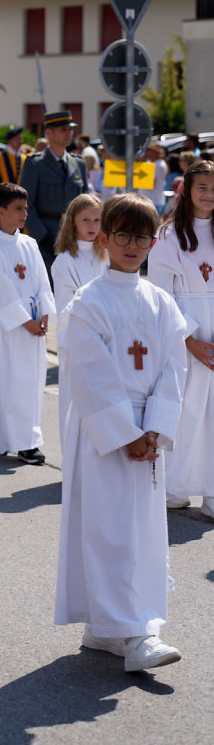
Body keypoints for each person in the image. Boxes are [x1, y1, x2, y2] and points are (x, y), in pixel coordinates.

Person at [55, 194, 188, 672]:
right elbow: (90, 375)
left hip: (148, 432)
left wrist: (154, 427)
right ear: (104, 238)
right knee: (109, 530)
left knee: (142, 532)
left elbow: (175, 368)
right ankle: (133, 635)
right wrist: (125, 432)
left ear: (153, 242)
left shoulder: (161, 302)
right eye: (122, 236)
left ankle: (107, 629)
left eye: (141, 238)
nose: (132, 246)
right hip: (104, 432)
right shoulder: (87, 303)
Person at [148, 160, 214, 518]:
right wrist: (190, 339)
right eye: (203, 187)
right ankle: (175, 486)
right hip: (184, 336)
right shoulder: (169, 235)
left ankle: (212, 490)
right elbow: (162, 293)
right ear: (187, 190)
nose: (209, 195)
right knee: (186, 410)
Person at [0, 182, 55, 464]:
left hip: (34, 326)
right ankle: (25, 444)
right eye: (18, 209)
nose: (24, 213)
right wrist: (24, 321)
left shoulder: (30, 244)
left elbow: (42, 283)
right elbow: (0, 294)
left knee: (31, 384)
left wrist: (44, 313)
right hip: (10, 329)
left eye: (26, 208)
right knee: (12, 384)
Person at [51, 193, 106, 447]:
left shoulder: (107, 255)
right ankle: (73, 458)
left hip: (109, 338)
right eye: (85, 220)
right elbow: (66, 307)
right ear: (72, 221)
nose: (92, 226)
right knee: (76, 402)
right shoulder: (64, 261)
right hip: (79, 340)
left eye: (97, 220)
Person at [20, 110, 89, 277]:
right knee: (49, 290)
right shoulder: (35, 163)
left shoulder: (78, 163)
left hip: (75, 237)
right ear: (49, 132)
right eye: (63, 130)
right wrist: (43, 239)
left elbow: (86, 204)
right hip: (47, 236)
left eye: (70, 129)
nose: (69, 133)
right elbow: (27, 206)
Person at [0, 125, 29, 245]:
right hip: (3, 206)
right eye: (17, 139)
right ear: (9, 141)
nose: (20, 141)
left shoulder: (25, 159)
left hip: (20, 205)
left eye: (20, 138)